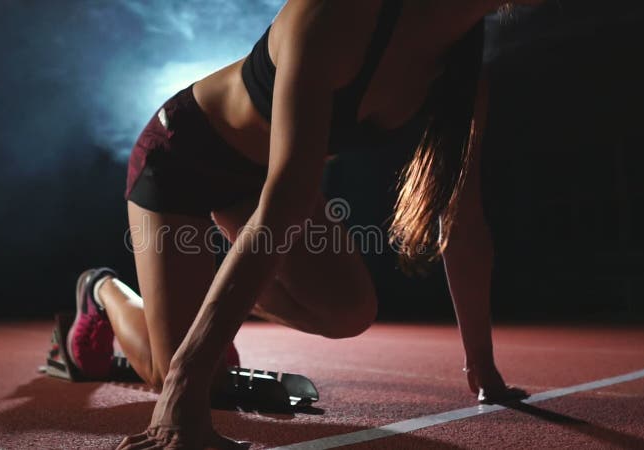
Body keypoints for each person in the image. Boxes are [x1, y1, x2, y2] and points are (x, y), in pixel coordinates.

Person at [66, 0, 544, 448]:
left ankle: (195, 301)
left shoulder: (463, 68)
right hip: (179, 159)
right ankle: (104, 291)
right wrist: (183, 388)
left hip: (262, 181)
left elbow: (463, 222)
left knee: (348, 312)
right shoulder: (336, 13)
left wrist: (482, 367)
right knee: (172, 370)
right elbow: (287, 202)